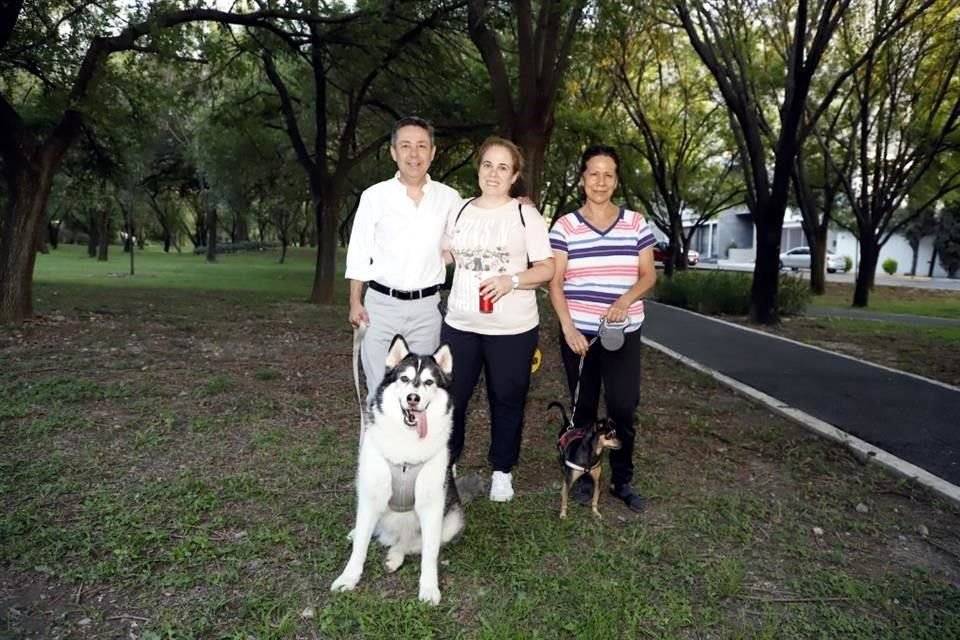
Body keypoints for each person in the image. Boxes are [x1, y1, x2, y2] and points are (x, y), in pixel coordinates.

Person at [441, 137, 555, 502]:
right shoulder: (458, 211)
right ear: (478, 169)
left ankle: (502, 471)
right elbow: (443, 255)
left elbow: (548, 268)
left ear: (514, 175)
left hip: (513, 329)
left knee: (506, 398)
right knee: (451, 397)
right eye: (488, 164)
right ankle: (446, 463)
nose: (494, 173)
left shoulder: (525, 215)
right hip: (460, 324)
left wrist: (513, 280)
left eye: (503, 167)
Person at [547, 145, 657, 512]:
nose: (600, 181)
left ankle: (621, 480)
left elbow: (648, 275)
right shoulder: (565, 226)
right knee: (583, 408)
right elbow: (556, 283)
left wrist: (624, 301)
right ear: (582, 179)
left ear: (616, 180)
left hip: (623, 332)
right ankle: (581, 469)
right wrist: (568, 329)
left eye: (608, 174)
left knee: (623, 407)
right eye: (593, 173)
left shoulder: (636, 223)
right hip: (581, 335)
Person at [345, 116, 462, 400]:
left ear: (432, 152)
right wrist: (354, 301)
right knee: (380, 390)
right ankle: (376, 446)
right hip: (380, 309)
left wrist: (516, 204)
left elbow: (467, 239)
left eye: (422, 146)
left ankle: (413, 444)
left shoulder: (449, 198)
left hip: (426, 311)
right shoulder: (375, 197)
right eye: (406, 145)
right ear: (394, 152)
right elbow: (359, 251)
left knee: (419, 393)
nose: (414, 153)